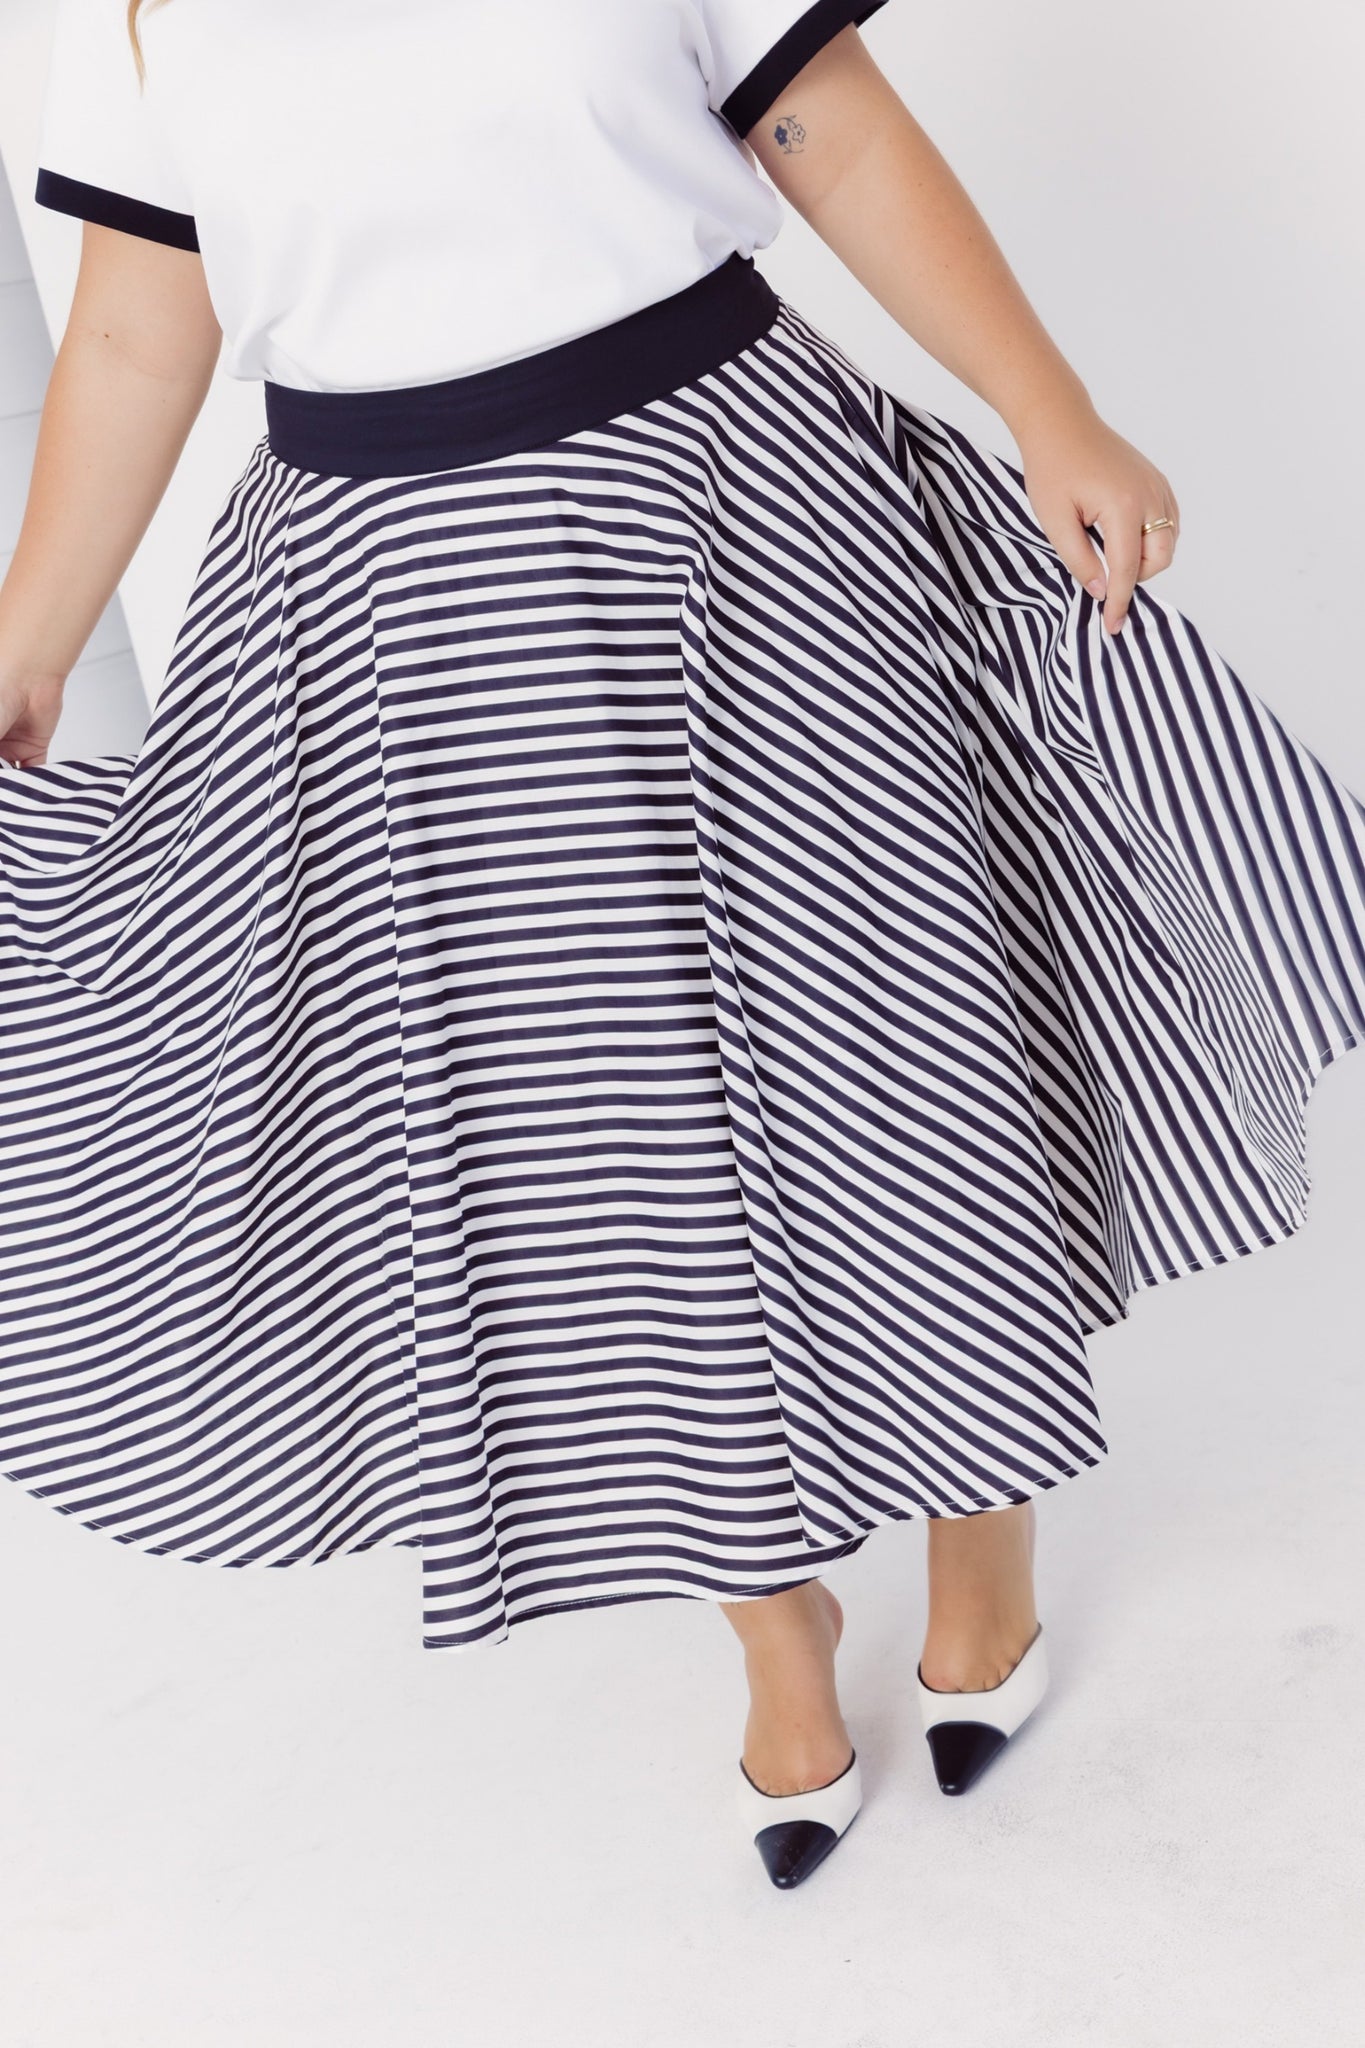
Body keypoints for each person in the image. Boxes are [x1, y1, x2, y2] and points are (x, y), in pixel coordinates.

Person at [3, 0, 1364, 1897]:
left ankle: (984, 1544)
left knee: (895, 1076)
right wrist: (31, 648)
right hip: (395, 635)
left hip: (741, 528)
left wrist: (1049, 410)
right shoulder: (136, 7)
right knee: (587, 1173)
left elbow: (835, 133)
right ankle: (769, 1618)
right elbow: (145, 332)